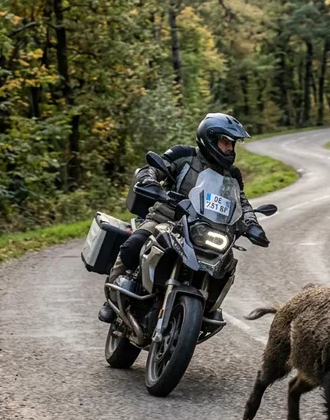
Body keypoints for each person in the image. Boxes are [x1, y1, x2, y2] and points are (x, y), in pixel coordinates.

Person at [98, 113, 268, 323]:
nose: (229, 149)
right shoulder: (183, 155)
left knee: (226, 264)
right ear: (210, 139)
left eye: (232, 144)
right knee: (134, 244)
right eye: (225, 142)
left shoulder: (232, 174)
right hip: (167, 220)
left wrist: (251, 223)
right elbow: (153, 168)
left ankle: (205, 308)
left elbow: (241, 202)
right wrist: (148, 179)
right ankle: (111, 301)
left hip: (209, 231)